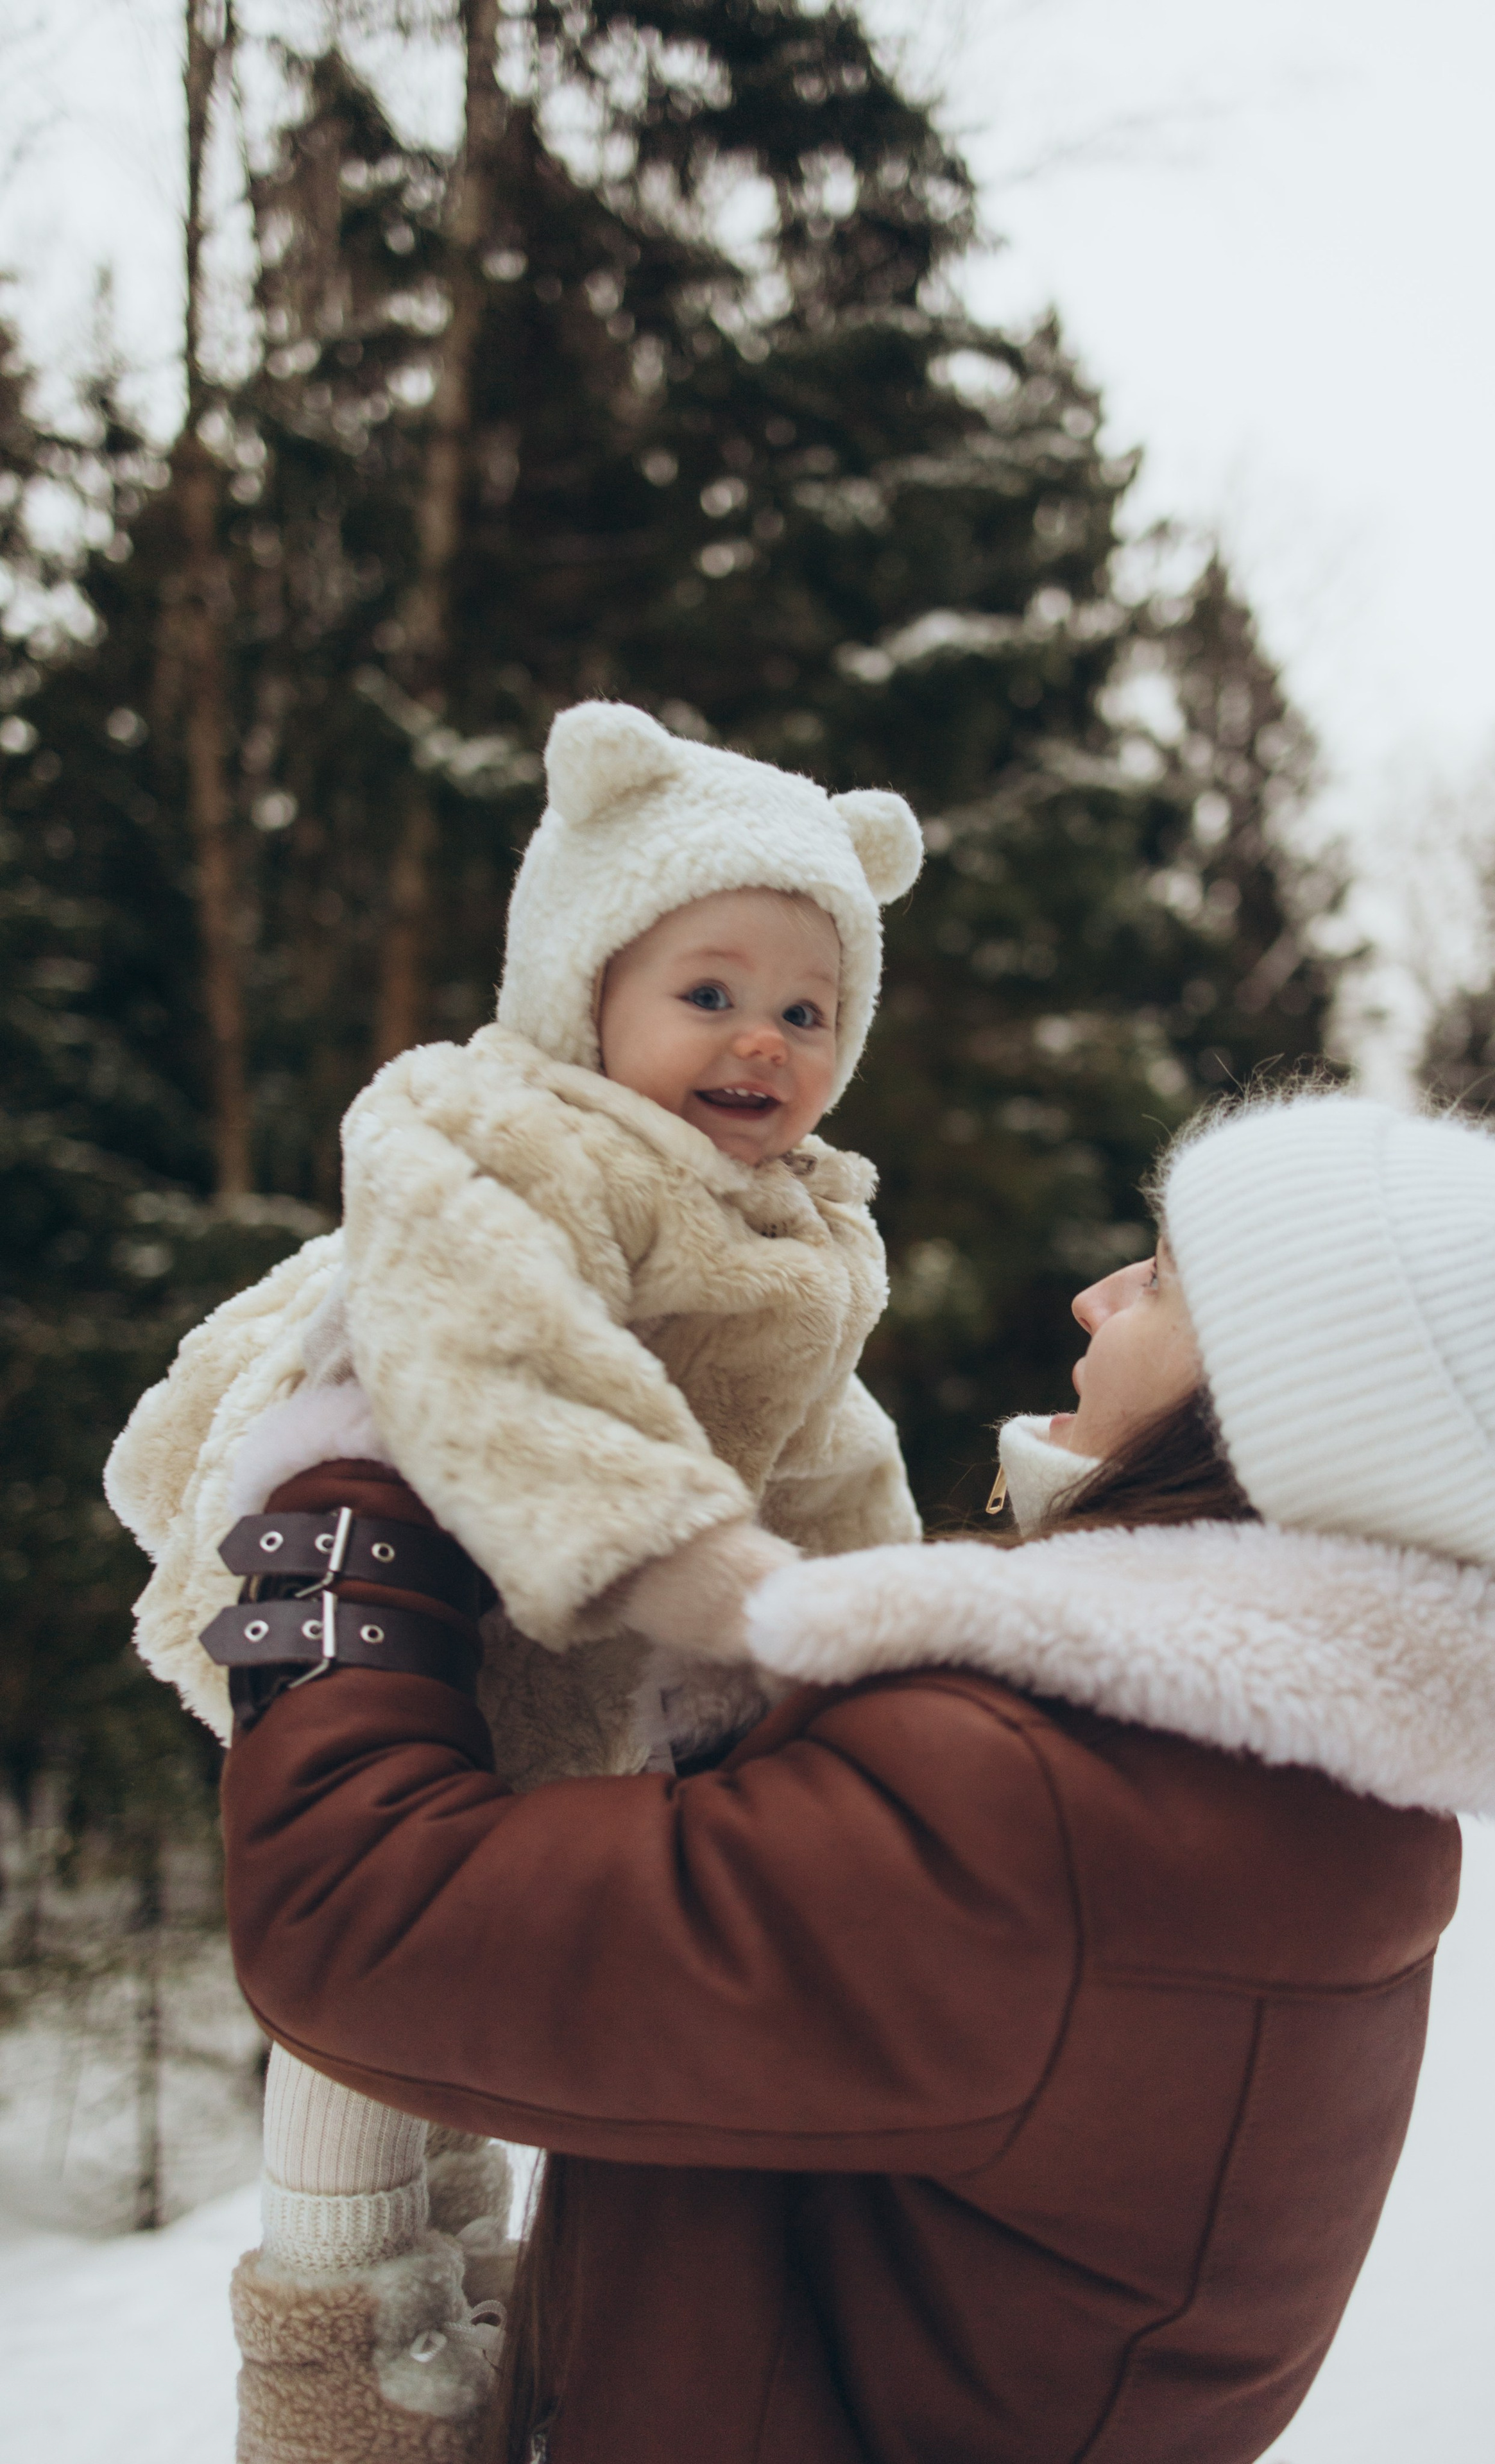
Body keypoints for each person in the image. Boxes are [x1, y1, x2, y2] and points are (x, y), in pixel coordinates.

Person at [219, 1090, 1495, 2464]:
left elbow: (366, 1915)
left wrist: (363, 1487)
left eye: (1160, 1282)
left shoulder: (1046, 1808)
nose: (1097, 1298)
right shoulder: (1302, 1789)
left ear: (1275, 1400)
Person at [103, 699, 927, 2454]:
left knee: (491, 1987)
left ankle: (470, 2326)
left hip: (576, 1641)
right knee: (358, 1997)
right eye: (708, 991)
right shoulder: (490, 1129)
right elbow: (493, 1345)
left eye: (807, 1009)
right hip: (374, 1582)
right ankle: (332, 2382)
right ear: (582, 976)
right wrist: (686, 1557)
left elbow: (831, 1454)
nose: (760, 1043)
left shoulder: (801, 1231)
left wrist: (881, 1641)